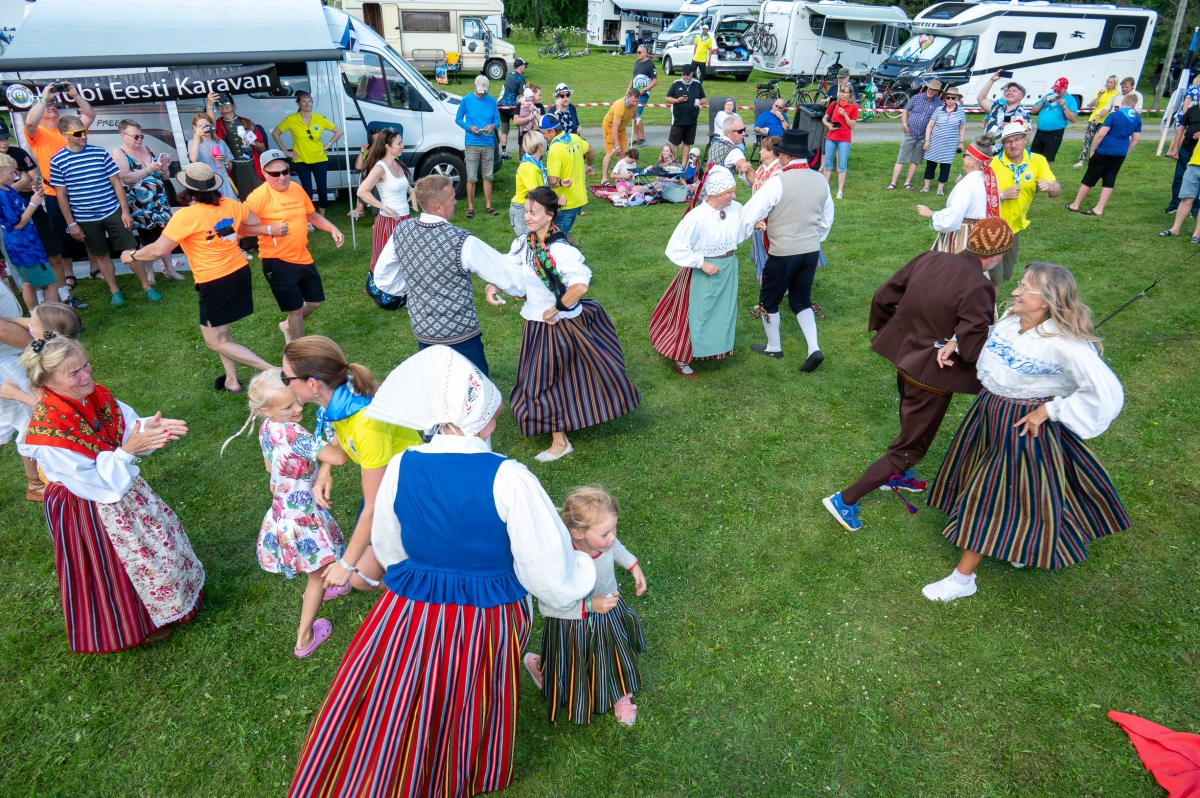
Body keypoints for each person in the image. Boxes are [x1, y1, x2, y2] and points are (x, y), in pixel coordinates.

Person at [289, 345, 597, 798]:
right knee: (474, 687)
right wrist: (579, 577)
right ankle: (463, 766)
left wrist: (419, 574)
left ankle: (397, 759)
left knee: (405, 685)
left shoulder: (402, 464)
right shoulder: (509, 477)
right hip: (486, 612)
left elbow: (391, 545)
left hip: (412, 603)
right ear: (482, 417)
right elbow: (543, 564)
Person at [923, 263, 1129, 602]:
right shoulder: (1010, 321)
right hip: (990, 412)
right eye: (1018, 285)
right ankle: (1022, 541)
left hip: (1022, 425)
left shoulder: (1067, 345)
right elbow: (990, 342)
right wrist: (956, 344)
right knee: (1025, 492)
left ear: (1046, 301)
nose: (1015, 292)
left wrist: (1051, 409)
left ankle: (963, 579)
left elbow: (1105, 393)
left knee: (989, 492)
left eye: (1024, 288)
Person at [821, 218, 1012, 532]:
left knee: (910, 420)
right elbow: (974, 345)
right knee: (911, 447)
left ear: (971, 238)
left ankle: (896, 475)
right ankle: (845, 500)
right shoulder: (980, 286)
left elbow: (884, 295)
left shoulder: (931, 257)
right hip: (932, 377)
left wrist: (892, 333)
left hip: (904, 358)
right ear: (997, 255)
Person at [22, 335, 203, 652]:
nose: (86, 375)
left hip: (118, 486)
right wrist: (128, 452)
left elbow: (124, 427)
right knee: (114, 563)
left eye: (85, 365)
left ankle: (172, 600)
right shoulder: (48, 430)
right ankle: (135, 623)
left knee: (155, 545)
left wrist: (148, 429)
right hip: (86, 504)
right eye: (74, 373)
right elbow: (92, 483)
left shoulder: (92, 396)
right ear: (48, 381)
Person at [489, 186, 641, 461]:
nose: (528, 216)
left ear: (550, 215)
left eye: (533, 212)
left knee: (541, 383)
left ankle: (560, 442)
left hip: (558, 325)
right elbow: (507, 269)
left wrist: (555, 308)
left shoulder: (560, 249)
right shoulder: (524, 243)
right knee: (561, 380)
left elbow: (580, 286)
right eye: (526, 211)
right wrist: (492, 284)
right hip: (535, 323)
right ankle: (563, 428)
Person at [281, 336, 423, 598]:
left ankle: (425, 589)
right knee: (364, 564)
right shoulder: (340, 397)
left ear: (313, 384)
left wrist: (345, 565)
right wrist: (324, 472)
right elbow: (342, 436)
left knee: (360, 578)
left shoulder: (366, 423)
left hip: (407, 492)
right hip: (391, 485)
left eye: (285, 378)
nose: (284, 383)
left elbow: (374, 504)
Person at [222, 369, 350, 658]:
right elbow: (339, 458)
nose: (298, 409)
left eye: (296, 402)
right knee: (317, 575)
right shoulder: (295, 434)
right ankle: (304, 637)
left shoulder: (268, 427)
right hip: (303, 518)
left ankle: (322, 587)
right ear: (267, 409)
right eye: (288, 407)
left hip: (282, 510)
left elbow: (270, 467)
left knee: (318, 567)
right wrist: (340, 429)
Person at [121, 163, 275, 392]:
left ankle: (272, 371)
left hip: (215, 281)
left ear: (189, 190)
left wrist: (132, 255)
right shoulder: (232, 205)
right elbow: (253, 223)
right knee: (222, 332)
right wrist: (230, 230)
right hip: (239, 273)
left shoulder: (186, 216)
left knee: (214, 340)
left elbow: (158, 250)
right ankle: (232, 381)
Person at [372, 175, 525, 376]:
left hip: (425, 334)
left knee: (438, 392)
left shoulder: (401, 231)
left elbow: (382, 277)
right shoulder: (461, 241)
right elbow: (503, 272)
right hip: (462, 337)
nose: (455, 201)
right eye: (452, 198)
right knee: (475, 396)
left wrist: (413, 288)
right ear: (438, 207)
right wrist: (521, 289)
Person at [524, 485, 647, 726]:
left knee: (611, 654)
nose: (612, 538)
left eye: (614, 530)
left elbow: (616, 546)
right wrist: (589, 605)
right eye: (605, 534)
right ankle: (543, 668)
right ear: (578, 534)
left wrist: (633, 565)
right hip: (574, 624)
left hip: (609, 609)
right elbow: (548, 607)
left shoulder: (605, 542)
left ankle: (619, 694)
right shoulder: (560, 560)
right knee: (573, 660)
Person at [737, 129, 832, 372]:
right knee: (801, 300)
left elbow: (751, 212)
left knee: (769, 300)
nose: (778, 159)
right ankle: (814, 348)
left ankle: (774, 347)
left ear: (787, 157)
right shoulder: (821, 179)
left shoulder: (778, 181)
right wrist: (813, 238)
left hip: (783, 251)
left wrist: (739, 235)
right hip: (810, 250)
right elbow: (826, 218)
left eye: (780, 155)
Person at [50, 115, 159, 306]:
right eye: (77, 133)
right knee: (100, 254)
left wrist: (125, 211)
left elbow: (116, 183)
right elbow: (61, 195)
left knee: (131, 250)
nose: (83, 135)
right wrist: (71, 223)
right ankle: (114, 291)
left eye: (84, 131)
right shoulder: (58, 160)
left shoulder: (99, 152)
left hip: (112, 210)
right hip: (85, 217)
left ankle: (147, 287)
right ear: (64, 136)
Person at [649, 167, 742, 378]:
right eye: (729, 192)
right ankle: (682, 358)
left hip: (728, 268)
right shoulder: (697, 217)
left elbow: (742, 226)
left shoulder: (735, 208)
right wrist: (701, 263)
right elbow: (675, 248)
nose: (734, 196)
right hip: (703, 271)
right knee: (697, 314)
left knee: (722, 313)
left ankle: (711, 349)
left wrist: (757, 223)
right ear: (716, 193)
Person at [244, 149, 345, 343]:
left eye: (286, 171)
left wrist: (332, 228)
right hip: (277, 260)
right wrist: (268, 229)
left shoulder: (296, 188)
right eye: (275, 174)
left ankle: (287, 325)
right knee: (296, 309)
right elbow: (240, 230)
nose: (282, 177)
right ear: (264, 174)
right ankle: (300, 350)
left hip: (302, 255)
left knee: (315, 301)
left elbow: (311, 215)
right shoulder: (257, 198)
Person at [23, 82, 96, 303]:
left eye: (54, 104)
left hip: (80, 189)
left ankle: (95, 269)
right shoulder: (37, 133)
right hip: (54, 192)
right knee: (64, 235)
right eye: (47, 107)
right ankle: (69, 273)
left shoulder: (70, 130)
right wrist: (43, 99)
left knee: (89, 229)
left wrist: (75, 95)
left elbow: (89, 115)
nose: (51, 107)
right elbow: (29, 121)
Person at [0, 119, 83, 308]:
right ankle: (39, 309)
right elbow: (24, 183)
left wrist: (21, 186)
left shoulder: (18, 153)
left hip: (33, 213)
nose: (4, 143)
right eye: (0, 140)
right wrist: (21, 184)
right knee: (25, 271)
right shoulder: (5, 192)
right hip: (20, 221)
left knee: (53, 252)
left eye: (5, 138)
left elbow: (36, 179)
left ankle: (64, 297)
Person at [112, 119, 183, 283]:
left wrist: (164, 170)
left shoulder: (149, 149)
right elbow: (123, 178)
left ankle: (169, 269)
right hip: (140, 205)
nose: (139, 140)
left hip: (159, 202)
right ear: (123, 135)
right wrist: (147, 169)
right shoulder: (119, 152)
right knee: (147, 238)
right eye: (135, 137)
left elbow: (163, 177)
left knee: (165, 235)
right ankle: (150, 272)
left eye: (141, 136)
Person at [989, 122, 1060, 286]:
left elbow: (1056, 191)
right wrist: (1002, 195)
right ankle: (988, 311)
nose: (1013, 145)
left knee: (1004, 274)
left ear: (1025, 139)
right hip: (991, 227)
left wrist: (1050, 187)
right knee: (994, 279)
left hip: (1014, 228)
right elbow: (977, 194)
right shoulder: (993, 164)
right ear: (1003, 144)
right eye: (1008, 141)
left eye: (1017, 139)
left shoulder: (1037, 161)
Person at [0, 282, 47, 501]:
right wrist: (44, 348)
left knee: (5, 423)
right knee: (33, 417)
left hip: (8, 355)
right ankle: (36, 484)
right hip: (4, 358)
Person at [918, 133, 1000, 253]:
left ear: (974, 160)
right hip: (979, 235)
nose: (962, 158)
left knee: (955, 269)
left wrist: (931, 214)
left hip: (962, 236)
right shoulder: (987, 180)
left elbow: (954, 216)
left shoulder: (967, 183)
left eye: (965, 155)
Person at [0, 154, 61, 310]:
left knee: (28, 283)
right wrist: (33, 205)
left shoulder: (7, 189)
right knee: (51, 282)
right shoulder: (2, 195)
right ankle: (51, 321)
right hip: (25, 246)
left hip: (21, 245)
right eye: (11, 172)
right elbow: (18, 224)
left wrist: (35, 195)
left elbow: (22, 206)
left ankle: (35, 317)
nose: (15, 176)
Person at [1065, 94, 1141, 217]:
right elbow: (1136, 139)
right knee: (1109, 179)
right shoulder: (1137, 118)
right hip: (1120, 152)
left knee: (1090, 177)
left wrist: (1093, 149)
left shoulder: (1114, 115)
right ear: (1134, 105)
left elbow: (1101, 134)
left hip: (1105, 150)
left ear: (1122, 102)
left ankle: (1075, 204)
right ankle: (1099, 208)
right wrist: (1126, 151)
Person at [271, 91, 341, 217]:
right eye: (304, 101)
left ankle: (322, 216)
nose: (307, 103)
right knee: (307, 190)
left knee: (322, 189)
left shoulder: (319, 118)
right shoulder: (291, 120)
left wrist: (328, 145)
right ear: (298, 103)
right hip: (301, 160)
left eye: (309, 101)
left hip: (320, 159)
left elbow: (338, 131)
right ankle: (308, 216)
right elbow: (275, 133)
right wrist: (286, 152)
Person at [356, 127, 413, 279]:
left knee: (404, 257)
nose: (402, 146)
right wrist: (383, 207)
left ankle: (400, 291)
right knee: (385, 257)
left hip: (404, 219)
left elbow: (403, 184)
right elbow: (362, 191)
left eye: (402, 143)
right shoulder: (380, 167)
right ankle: (379, 290)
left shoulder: (397, 163)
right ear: (387, 147)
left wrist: (412, 192)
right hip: (389, 220)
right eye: (399, 143)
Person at [206, 92, 266, 200]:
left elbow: (261, 146)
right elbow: (210, 127)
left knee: (259, 196)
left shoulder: (247, 122)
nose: (223, 105)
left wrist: (251, 142)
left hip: (250, 166)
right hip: (231, 168)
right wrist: (209, 105)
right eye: (219, 103)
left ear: (233, 105)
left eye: (227, 102)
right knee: (237, 197)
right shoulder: (218, 124)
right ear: (218, 108)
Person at [455, 75, 500, 219]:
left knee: (488, 176)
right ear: (474, 86)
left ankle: (488, 206)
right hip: (472, 143)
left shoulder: (491, 100)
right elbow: (458, 119)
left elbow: (497, 121)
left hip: (488, 144)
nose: (482, 93)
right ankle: (470, 207)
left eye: (484, 91)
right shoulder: (466, 100)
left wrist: (492, 126)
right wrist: (469, 128)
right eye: (480, 90)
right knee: (472, 177)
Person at [543, 114, 593, 241]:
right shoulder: (574, 137)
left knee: (555, 239)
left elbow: (553, 181)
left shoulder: (555, 148)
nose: (542, 136)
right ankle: (575, 254)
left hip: (565, 202)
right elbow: (590, 150)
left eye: (544, 133)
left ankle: (567, 259)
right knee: (566, 231)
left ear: (553, 131)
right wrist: (588, 166)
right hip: (580, 198)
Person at [889, 79, 943, 191]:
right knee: (901, 158)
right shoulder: (916, 98)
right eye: (930, 88)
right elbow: (905, 111)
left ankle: (907, 182)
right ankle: (893, 183)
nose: (931, 91)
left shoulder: (939, 104)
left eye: (934, 90)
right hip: (910, 133)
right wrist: (904, 125)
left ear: (937, 92)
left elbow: (937, 121)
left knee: (915, 160)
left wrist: (929, 136)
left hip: (923, 136)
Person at [920, 86, 966, 195]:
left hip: (949, 144)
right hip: (935, 142)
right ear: (944, 98)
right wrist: (927, 140)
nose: (950, 100)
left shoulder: (961, 111)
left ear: (957, 99)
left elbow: (962, 127)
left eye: (952, 98)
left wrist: (961, 142)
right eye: (948, 98)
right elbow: (930, 125)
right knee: (930, 164)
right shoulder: (938, 109)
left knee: (946, 166)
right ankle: (926, 187)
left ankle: (940, 189)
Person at [750, 136, 781, 283]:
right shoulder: (763, 168)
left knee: (769, 254)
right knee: (757, 253)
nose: (760, 151)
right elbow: (756, 184)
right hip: (759, 216)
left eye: (763, 149)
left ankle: (773, 284)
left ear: (771, 152)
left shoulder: (779, 171)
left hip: (772, 218)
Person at [701, 115, 754, 199]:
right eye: (740, 131)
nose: (744, 134)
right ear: (728, 133)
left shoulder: (716, 144)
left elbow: (724, 165)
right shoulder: (734, 151)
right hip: (719, 197)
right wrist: (761, 187)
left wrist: (739, 170)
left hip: (704, 193)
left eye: (744, 130)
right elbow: (749, 172)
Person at [976, 72, 1031, 153]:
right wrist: (992, 80)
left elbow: (1026, 138)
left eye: (1014, 91)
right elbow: (981, 98)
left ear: (1021, 96)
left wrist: (1013, 128)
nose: (1009, 92)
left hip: (1005, 155)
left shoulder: (1024, 115)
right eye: (1008, 90)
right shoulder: (996, 107)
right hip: (985, 151)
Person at [1166, 86, 1200, 216]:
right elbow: (1181, 129)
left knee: (1197, 181)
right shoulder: (1192, 110)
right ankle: (1175, 204)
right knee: (1179, 177)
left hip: (1199, 154)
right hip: (1186, 149)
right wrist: (1175, 148)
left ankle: (1195, 209)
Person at [188, 113, 238, 200]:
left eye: (207, 125)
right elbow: (193, 159)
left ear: (211, 125)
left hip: (222, 181)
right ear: (194, 127)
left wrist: (224, 160)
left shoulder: (220, 142)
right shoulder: (192, 143)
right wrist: (196, 137)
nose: (205, 128)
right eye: (201, 126)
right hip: (205, 182)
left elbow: (230, 167)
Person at [1073, 76, 1120, 169]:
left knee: (1102, 140)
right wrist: (1098, 97)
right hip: (1094, 119)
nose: (1108, 84)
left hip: (1106, 120)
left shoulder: (1117, 93)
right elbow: (1091, 105)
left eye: (1111, 82)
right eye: (1107, 82)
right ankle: (1081, 160)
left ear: (1115, 83)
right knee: (1087, 139)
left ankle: (1098, 159)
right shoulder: (1101, 91)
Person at [665, 64, 706, 167]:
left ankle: (683, 164)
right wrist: (678, 100)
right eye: (683, 74)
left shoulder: (697, 84)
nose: (685, 76)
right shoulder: (676, 83)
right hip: (678, 119)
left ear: (692, 74)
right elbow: (667, 98)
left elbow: (704, 98)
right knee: (675, 143)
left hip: (692, 119)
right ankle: (673, 162)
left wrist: (700, 102)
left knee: (687, 143)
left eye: (687, 74)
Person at [823, 84, 859, 199]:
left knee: (842, 165)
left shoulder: (854, 107)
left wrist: (844, 115)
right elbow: (824, 118)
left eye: (845, 92)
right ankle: (825, 188)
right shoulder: (834, 104)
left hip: (844, 139)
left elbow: (852, 125)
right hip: (831, 137)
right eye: (841, 92)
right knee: (827, 164)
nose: (842, 94)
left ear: (850, 94)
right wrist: (828, 124)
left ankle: (840, 190)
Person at [1029, 77, 1078, 163]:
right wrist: (1043, 102)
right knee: (1033, 157)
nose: (1057, 91)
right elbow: (1033, 111)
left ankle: (1044, 175)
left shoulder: (1070, 99)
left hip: (1054, 134)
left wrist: (1064, 106)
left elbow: (1073, 118)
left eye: (1060, 89)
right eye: (1055, 89)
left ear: (1066, 88)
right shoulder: (1049, 96)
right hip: (1040, 132)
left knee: (1047, 159)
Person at [512, 131, 551, 236]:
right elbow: (535, 193)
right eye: (544, 143)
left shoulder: (536, 163)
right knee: (528, 243)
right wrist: (556, 201)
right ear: (540, 146)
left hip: (532, 207)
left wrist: (560, 182)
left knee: (536, 242)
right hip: (523, 209)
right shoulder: (528, 167)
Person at [601, 88, 640, 186]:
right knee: (610, 153)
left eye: (636, 101)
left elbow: (634, 113)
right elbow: (614, 128)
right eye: (633, 101)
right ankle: (604, 178)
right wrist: (617, 147)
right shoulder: (619, 106)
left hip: (622, 129)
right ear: (627, 97)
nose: (635, 104)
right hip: (610, 128)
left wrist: (637, 117)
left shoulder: (634, 104)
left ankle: (619, 178)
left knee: (623, 154)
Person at [497, 57, 528, 159]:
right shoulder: (520, 78)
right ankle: (523, 150)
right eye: (525, 66)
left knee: (504, 128)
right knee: (522, 124)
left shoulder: (509, 75)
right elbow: (522, 96)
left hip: (500, 105)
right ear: (521, 67)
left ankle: (504, 153)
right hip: (510, 105)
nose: (525, 68)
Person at [630, 44, 658, 146]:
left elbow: (654, 81)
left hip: (643, 94)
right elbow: (633, 78)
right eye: (637, 52)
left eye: (639, 52)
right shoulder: (637, 63)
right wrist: (629, 89)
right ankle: (637, 138)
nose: (637, 54)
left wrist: (645, 89)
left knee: (637, 113)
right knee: (633, 114)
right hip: (634, 93)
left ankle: (642, 136)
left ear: (645, 53)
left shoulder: (650, 65)